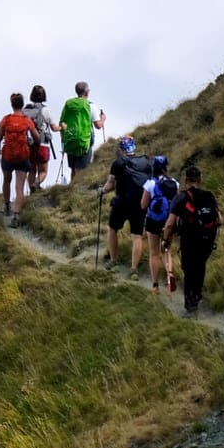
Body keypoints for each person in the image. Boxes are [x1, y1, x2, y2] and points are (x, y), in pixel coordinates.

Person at [164, 165, 222, 316]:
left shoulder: (181, 197)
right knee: (200, 266)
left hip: (189, 240)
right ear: (200, 179)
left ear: (186, 180)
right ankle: (197, 296)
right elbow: (220, 220)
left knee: (189, 271)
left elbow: (170, 223)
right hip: (207, 240)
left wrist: (166, 239)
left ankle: (191, 307)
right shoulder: (209, 195)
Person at [100, 135, 149, 271]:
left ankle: (114, 260)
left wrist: (102, 190)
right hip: (140, 203)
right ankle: (134, 269)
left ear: (121, 148)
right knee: (137, 235)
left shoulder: (118, 163)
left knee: (112, 229)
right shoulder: (145, 162)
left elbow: (110, 185)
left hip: (122, 202)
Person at [0, 93, 38, 225]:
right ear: (22, 104)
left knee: (7, 180)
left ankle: (7, 206)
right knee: (19, 187)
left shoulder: (6, 120)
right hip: (23, 156)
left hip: (8, 156)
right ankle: (16, 216)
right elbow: (37, 138)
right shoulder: (26, 120)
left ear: (12, 105)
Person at [140, 154, 180, 292]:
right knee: (167, 250)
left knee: (154, 253)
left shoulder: (150, 184)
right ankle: (169, 275)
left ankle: (155, 285)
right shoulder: (174, 183)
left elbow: (143, 205)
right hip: (168, 221)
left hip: (153, 221)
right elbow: (177, 204)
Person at [59, 81, 104, 178]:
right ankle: (77, 190)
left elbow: (63, 120)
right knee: (82, 169)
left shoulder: (69, 104)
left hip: (71, 138)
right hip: (85, 139)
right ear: (87, 92)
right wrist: (103, 119)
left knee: (73, 169)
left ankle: (71, 190)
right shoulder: (90, 105)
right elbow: (98, 126)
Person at [24, 84, 60, 190]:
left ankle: (31, 191)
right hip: (42, 144)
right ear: (44, 96)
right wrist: (62, 128)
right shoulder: (46, 110)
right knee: (43, 171)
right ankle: (36, 184)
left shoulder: (25, 110)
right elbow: (54, 128)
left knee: (31, 170)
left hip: (29, 144)